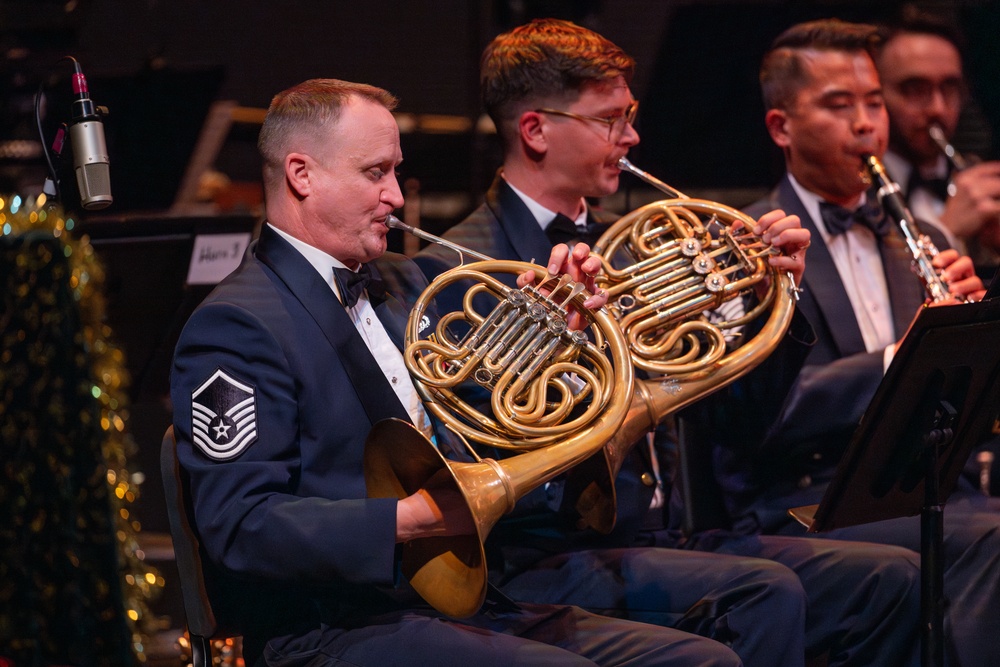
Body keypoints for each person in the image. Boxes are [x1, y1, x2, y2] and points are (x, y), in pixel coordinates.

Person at [168, 78, 745, 666]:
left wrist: (560, 337)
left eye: (395, 172)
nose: (395, 196)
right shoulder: (237, 324)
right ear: (301, 174)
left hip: (459, 601)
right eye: (375, 173)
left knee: (703, 661)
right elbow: (239, 525)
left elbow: (491, 416)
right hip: (331, 626)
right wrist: (412, 519)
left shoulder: (404, 282)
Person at [405, 18, 922, 667]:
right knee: (766, 592)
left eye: (632, 116)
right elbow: (473, 436)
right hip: (550, 551)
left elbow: (742, 424)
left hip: (679, 529)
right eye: (611, 120)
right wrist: (556, 347)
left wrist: (773, 307)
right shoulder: (459, 266)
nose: (632, 138)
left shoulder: (645, 242)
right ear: (536, 130)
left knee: (890, 578)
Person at [684, 18, 1000, 665]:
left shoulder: (920, 237)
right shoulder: (746, 253)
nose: (867, 124)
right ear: (781, 128)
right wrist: (896, 359)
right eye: (838, 104)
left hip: (921, 485)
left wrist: (962, 340)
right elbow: (757, 421)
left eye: (874, 102)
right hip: (807, 501)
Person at [875, 6, 1000, 283]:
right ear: (876, 94)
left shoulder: (979, 177)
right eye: (915, 88)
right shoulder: (858, 194)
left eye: (949, 87)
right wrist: (946, 232)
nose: (937, 108)